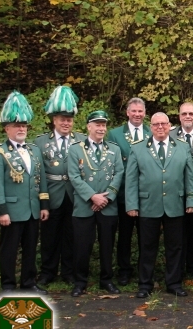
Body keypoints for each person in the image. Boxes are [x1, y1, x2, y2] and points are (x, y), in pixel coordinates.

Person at [125, 112, 193, 298]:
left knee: (175, 247)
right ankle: (145, 285)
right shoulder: (138, 148)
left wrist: (191, 199)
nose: (160, 127)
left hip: (175, 205)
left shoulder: (182, 147)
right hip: (148, 205)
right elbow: (131, 179)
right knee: (147, 247)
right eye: (156, 124)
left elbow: (190, 176)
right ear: (150, 127)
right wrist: (132, 204)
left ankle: (174, 283)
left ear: (169, 126)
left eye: (163, 124)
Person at [0, 91, 49, 294]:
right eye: (17, 125)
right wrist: (1, 210)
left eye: (24, 125)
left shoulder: (34, 150)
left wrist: (44, 205)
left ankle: (29, 282)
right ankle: (8, 285)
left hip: (32, 209)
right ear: (7, 128)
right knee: (9, 249)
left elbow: (41, 179)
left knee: (30, 248)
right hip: (11, 211)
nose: (21, 129)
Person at [67, 111, 123, 296]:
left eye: (103, 125)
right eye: (97, 125)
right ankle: (80, 282)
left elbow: (119, 173)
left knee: (107, 246)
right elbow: (74, 176)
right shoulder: (75, 149)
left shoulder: (114, 149)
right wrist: (92, 196)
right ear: (88, 127)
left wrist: (107, 198)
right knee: (82, 246)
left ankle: (106, 280)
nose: (101, 128)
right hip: (84, 206)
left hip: (108, 206)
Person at [35, 86, 86, 287]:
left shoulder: (82, 140)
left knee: (71, 236)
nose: (66, 123)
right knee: (49, 237)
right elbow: (38, 174)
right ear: (54, 120)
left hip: (74, 194)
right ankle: (47, 272)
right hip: (52, 194)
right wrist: (43, 200)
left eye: (69, 120)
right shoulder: (40, 142)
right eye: (62, 119)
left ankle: (68, 272)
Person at [106, 97, 151, 286]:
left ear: (145, 113)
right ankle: (124, 271)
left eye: (140, 111)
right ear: (127, 112)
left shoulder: (152, 132)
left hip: (147, 194)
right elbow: (110, 163)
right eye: (134, 111)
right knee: (124, 236)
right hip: (124, 193)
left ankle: (144, 271)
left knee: (146, 237)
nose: (137, 114)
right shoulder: (115, 134)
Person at [170, 102, 193, 282]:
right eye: (184, 113)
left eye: (191, 114)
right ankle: (177, 269)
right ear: (179, 116)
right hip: (175, 192)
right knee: (176, 234)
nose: (188, 116)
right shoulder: (169, 134)